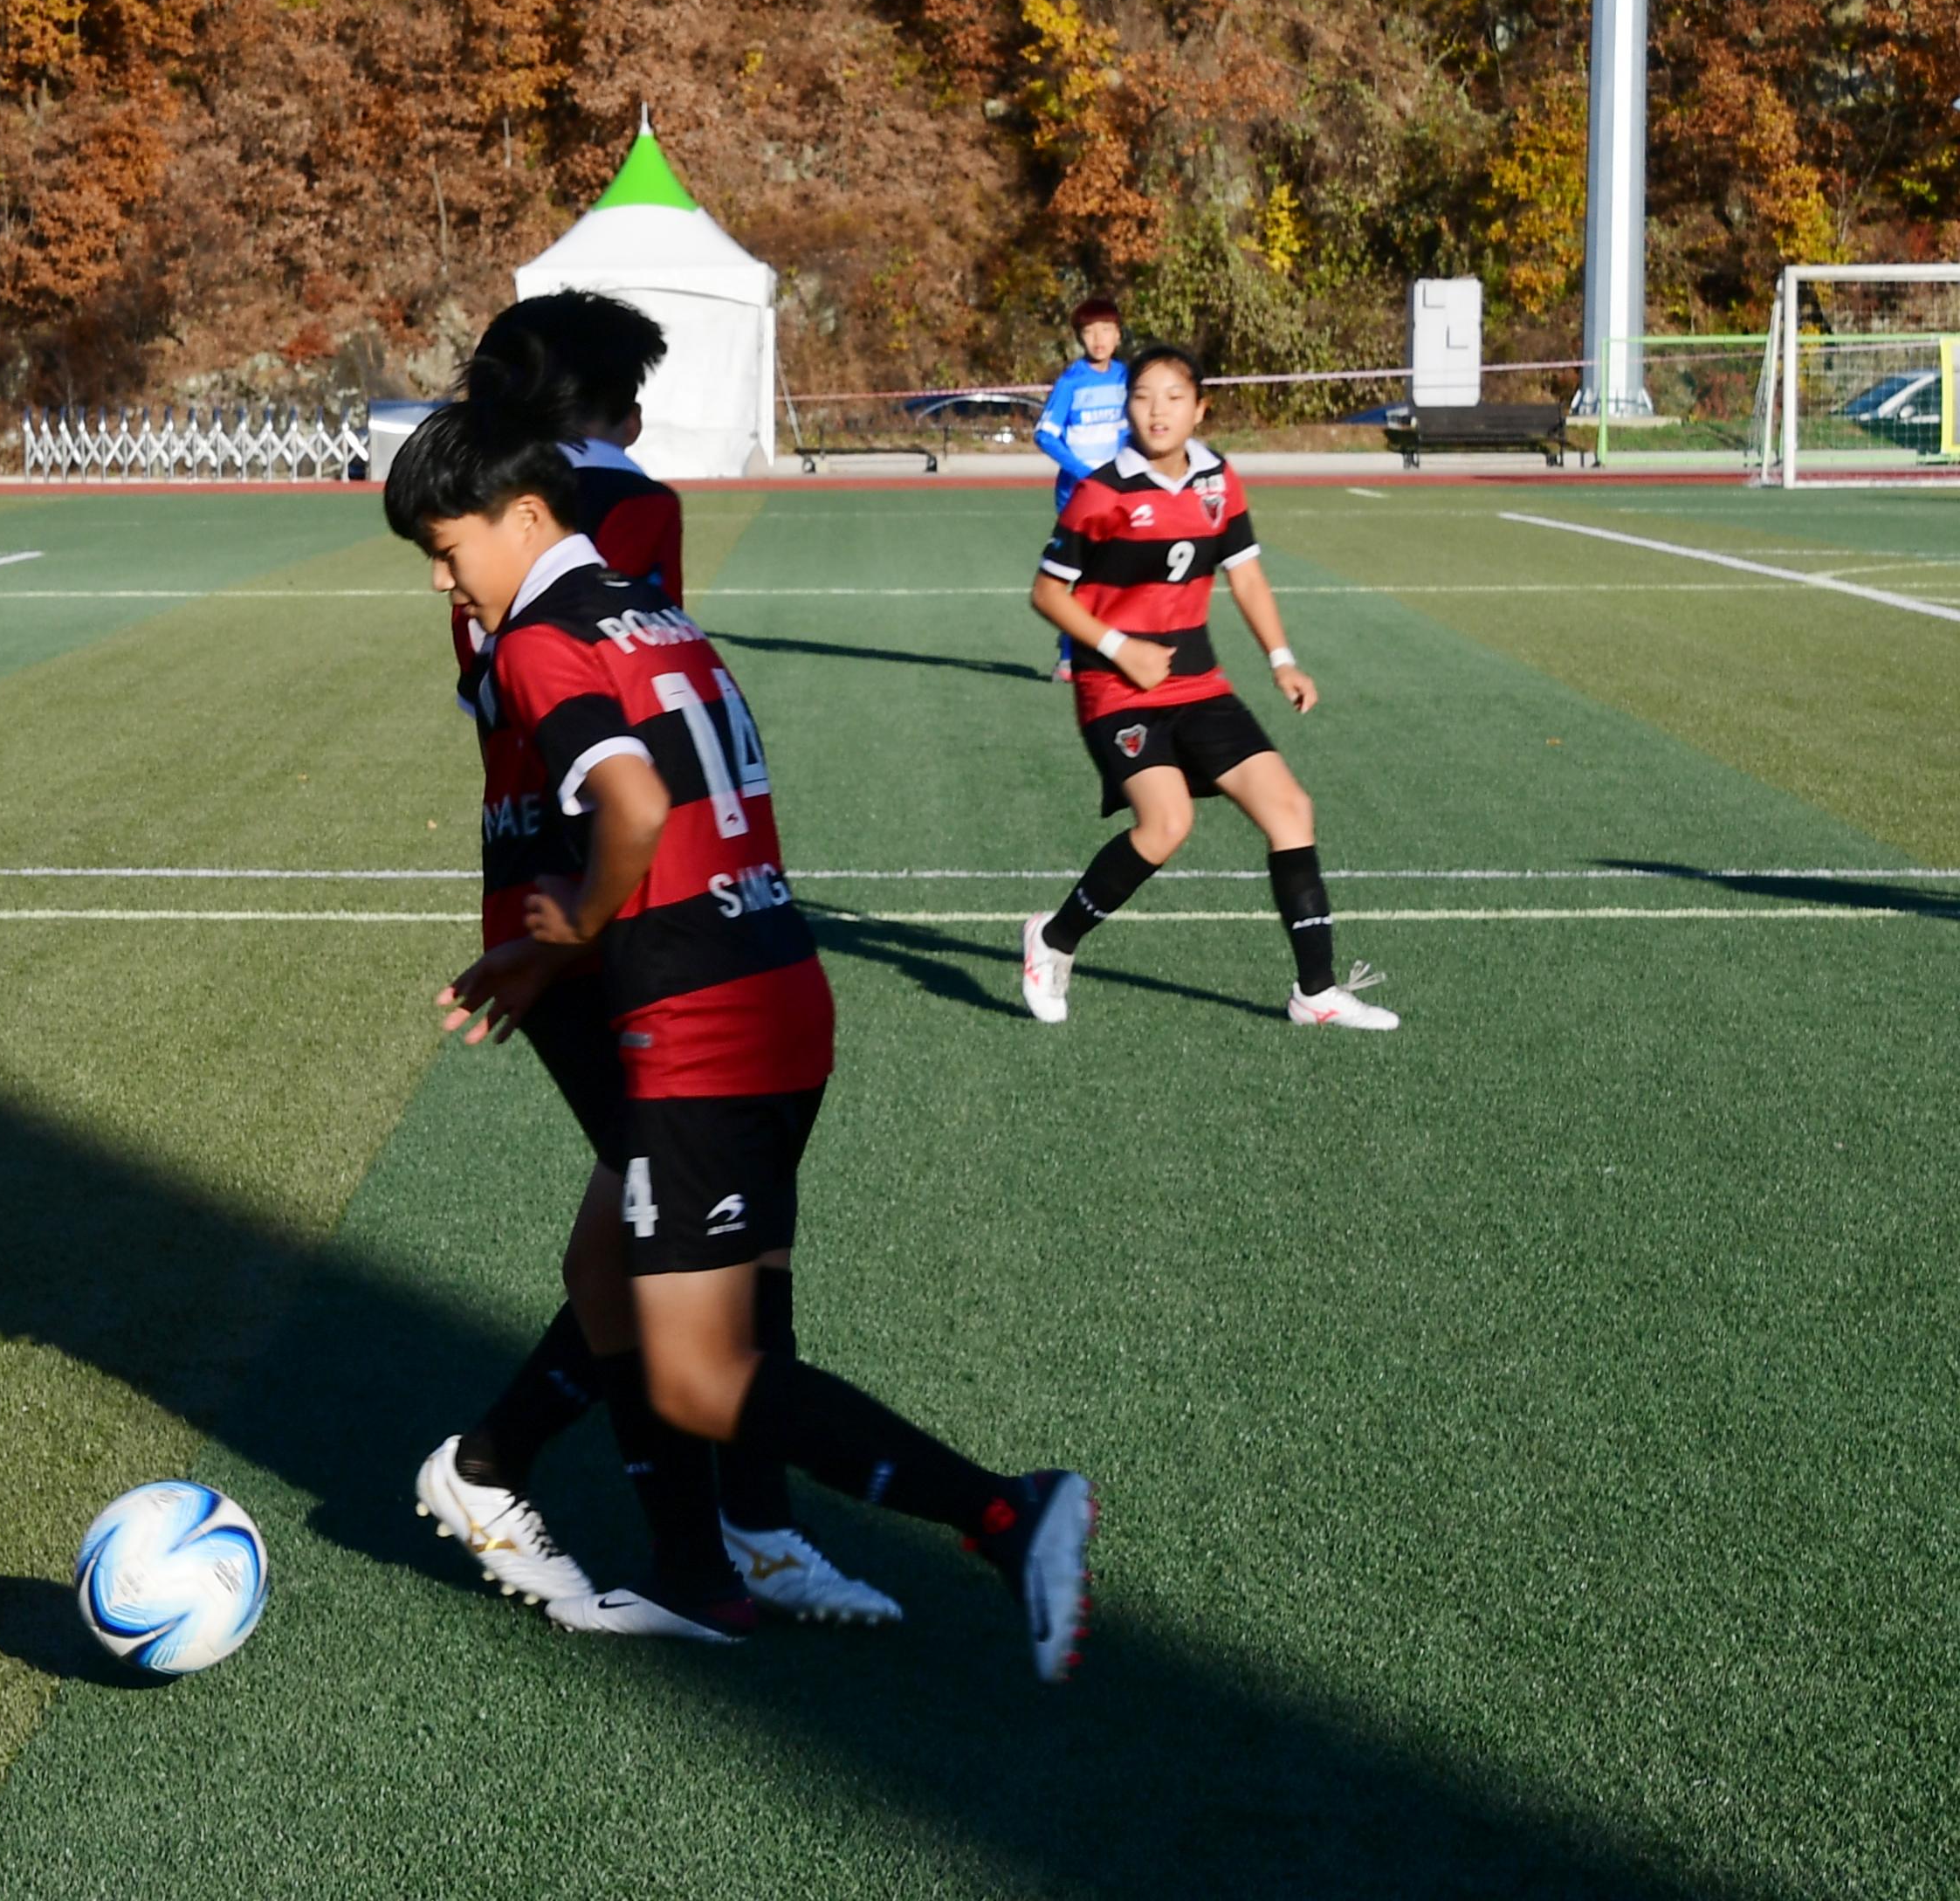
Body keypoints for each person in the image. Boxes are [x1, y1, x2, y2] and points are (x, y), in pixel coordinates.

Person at [395, 354, 1098, 1677]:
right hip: (784, 991)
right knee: (611, 1271)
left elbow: (635, 810)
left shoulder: (543, 640)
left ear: (525, 517)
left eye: (446, 552)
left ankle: (1004, 1512)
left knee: (697, 1377)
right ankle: (629, 1534)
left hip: (695, 1029)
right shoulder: (654, 620)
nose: (445, 584)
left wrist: (571, 925)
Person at [416, 293, 899, 1629]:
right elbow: (633, 718)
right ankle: (662, 1523)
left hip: (535, 869)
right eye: (628, 397)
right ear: (599, 406)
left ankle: (709, 1534)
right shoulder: (610, 510)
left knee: (672, 1230)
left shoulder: (488, 499)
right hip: (607, 902)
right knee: (687, 1237)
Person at [1021, 344, 1399, 1030]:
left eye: (1173, 396)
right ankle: (1053, 940)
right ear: (1127, 408)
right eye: (1142, 396)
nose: (1156, 410)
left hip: (1200, 684)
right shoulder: (1101, 492)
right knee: (1167, 825)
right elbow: (1047, 594)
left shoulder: (1219, 481)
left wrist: (1282, 659)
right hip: (1117, 690)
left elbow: (1246, 575)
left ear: (1200, 408)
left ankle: (1315, 992)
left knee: (1291, 809)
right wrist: (1118, 647)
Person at [1034, 299, 1131, 681]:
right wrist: (1086, 473)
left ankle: (1113, 650)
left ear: (1118, 334)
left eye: (1106, 329)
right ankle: (1069, 652)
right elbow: (1044, 435)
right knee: (1082, 574)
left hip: (1121, 493)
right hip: (1080, 496)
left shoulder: (1127, 378)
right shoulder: (1071, 382)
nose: (1099, 339)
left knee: (1120, 573)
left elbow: (1134, 430)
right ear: (1080, 338)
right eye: (1090, 332)